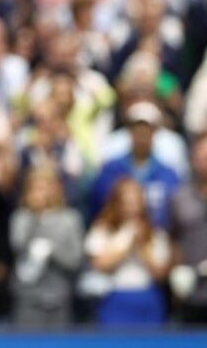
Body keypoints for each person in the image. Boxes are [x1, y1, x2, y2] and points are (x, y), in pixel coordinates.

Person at [85, 178, 172, 325]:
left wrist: (142, 247)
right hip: (114, 297)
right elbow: (100, 265)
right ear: (116, 204)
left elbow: (161, 274)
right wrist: (126, 241)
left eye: (136, 202)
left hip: (148, 298)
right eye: (127, 203)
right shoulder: (102, 230)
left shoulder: (156, 233)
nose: (132, 208)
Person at [9, 168, 84, 327]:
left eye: (45, 188)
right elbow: (18, 245)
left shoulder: (70, 219)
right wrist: (35, 217)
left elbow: (75, 261)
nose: (41, 194)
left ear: (56, 189)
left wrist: (51, 252)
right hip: (28, 299)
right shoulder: (21, 218)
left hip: (60, 298)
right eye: (35, 188)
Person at [169, 133, 207, 322]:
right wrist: (176, 274)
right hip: (191, 292)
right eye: (200, 158)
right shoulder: (180, 197)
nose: (204, 163)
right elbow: (173, 238)